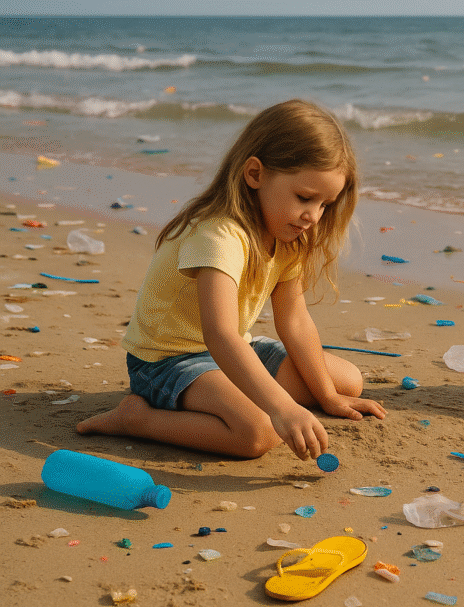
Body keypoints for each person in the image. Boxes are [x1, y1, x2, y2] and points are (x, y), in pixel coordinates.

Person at [78, 99, 387, 459]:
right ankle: (138, 419)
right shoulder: (218, 235)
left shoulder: (287, 237)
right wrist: (281, 408)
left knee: (347, 381)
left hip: (232, 350)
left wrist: (328, 398)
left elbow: (296, 322)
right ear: (255, 174)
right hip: (168, 361)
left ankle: (237, 398)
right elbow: (220, 333)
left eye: (325, 205)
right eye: (305, 197)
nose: (313, 216)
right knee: (257, 433)